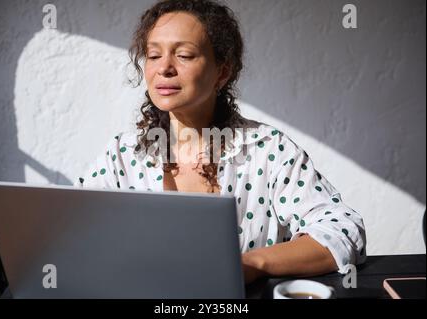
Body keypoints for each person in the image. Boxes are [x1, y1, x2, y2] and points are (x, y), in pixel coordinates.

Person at [76, 0, 366, 284]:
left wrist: (251, 264)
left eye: (185, 55)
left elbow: (342, 230)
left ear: (222, 72)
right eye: (153, 55)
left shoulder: (268, 150)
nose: (164, 67)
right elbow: (70, 237)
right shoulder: (121, 156)